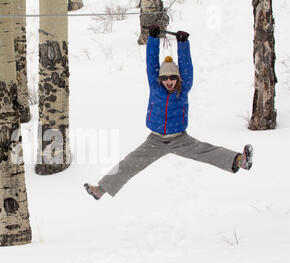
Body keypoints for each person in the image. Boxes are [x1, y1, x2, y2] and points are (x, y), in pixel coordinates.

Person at [84, 25, 253, 200]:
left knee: (206, 151)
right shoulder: (155, 87)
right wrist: (153, 39)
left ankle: (241, 161)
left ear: (178, 79)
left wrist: (183, 43)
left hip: (179, 139)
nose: (169, 81)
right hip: (155, 140)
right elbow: (151, 63)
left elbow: (186, 66)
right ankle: (100, 190)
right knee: (130, 163)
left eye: (173, 77)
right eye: (165, 78)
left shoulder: (183, 88)